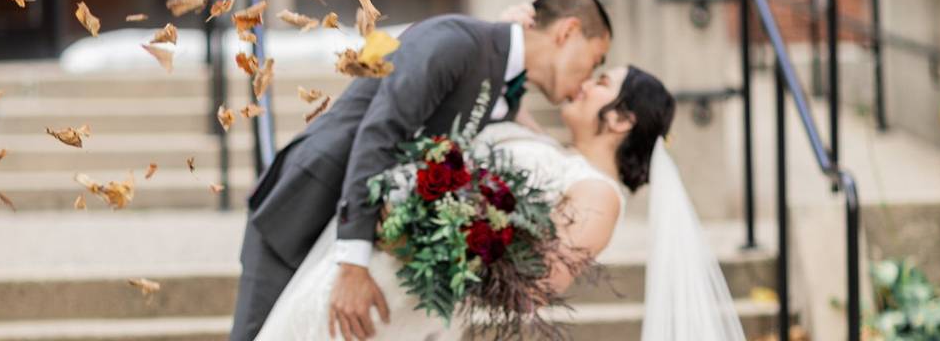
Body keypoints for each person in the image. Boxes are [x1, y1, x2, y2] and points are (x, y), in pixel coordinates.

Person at [229, 0, 612, 341]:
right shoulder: (455, 41)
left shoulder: (502, 84)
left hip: (349, 225)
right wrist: (353, 265)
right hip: (305, 206)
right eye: (594, 60)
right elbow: (380, 134)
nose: (586, 81)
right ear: (568, 31)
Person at [254, 64, 678, 340]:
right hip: (366, 279)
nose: (585, 83)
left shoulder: (600, 195)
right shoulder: (554, 151)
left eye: (602, 83)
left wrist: (450, 231)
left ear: (623, 119)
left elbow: (539, 284)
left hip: (397, 310)